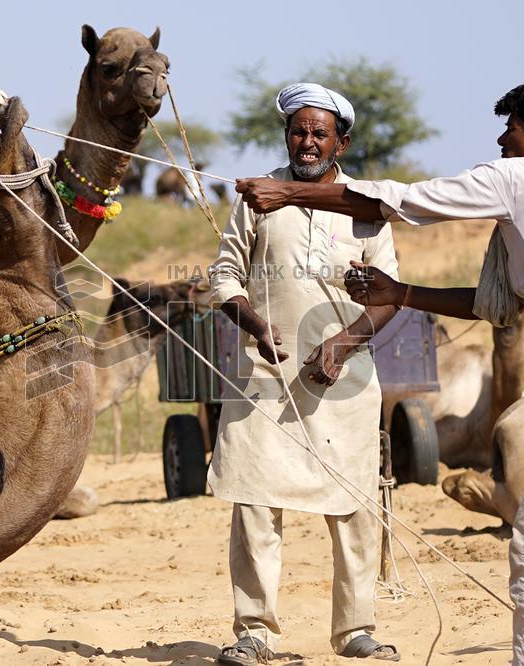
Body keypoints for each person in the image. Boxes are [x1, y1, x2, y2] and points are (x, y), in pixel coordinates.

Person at [235, 78, 524, 666]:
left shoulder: (523, 178)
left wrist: (286, 193)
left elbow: (399, 202)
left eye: (512, 129)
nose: (501, 139)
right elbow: (497, 306)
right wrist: (401, 293)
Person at [207, 82, 402, 664]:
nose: (308, 142)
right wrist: (253, 322)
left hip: (346, 384)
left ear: (342, 141)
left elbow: (388, 296)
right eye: (299, 131)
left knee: (355, 508)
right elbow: (224, 278)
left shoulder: (366, 209)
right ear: (286, 135)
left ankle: (355, 631)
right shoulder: (258, 200)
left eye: (320, 133)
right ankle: (255, 632)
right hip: (264, 382)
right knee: (256, 506)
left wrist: (343, 343)